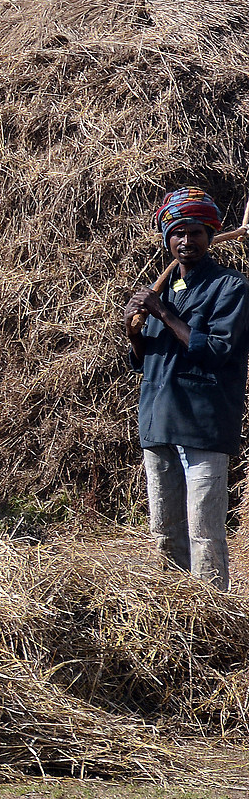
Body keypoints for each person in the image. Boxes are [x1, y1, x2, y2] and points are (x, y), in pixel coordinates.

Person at [127, 188, 248, 589]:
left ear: (210, 236)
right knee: (165, 532)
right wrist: (134, 333)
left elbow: (215, 350)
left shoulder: (230, 287)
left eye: (195, 232)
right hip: (158, 420)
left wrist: (162, 311)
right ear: (168, 239)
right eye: (177, 233)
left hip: (203, 424)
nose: (186, 241)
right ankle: (173, 611)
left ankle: (211, 614)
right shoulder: (167, 289)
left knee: (205, 533)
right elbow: (147, 361)